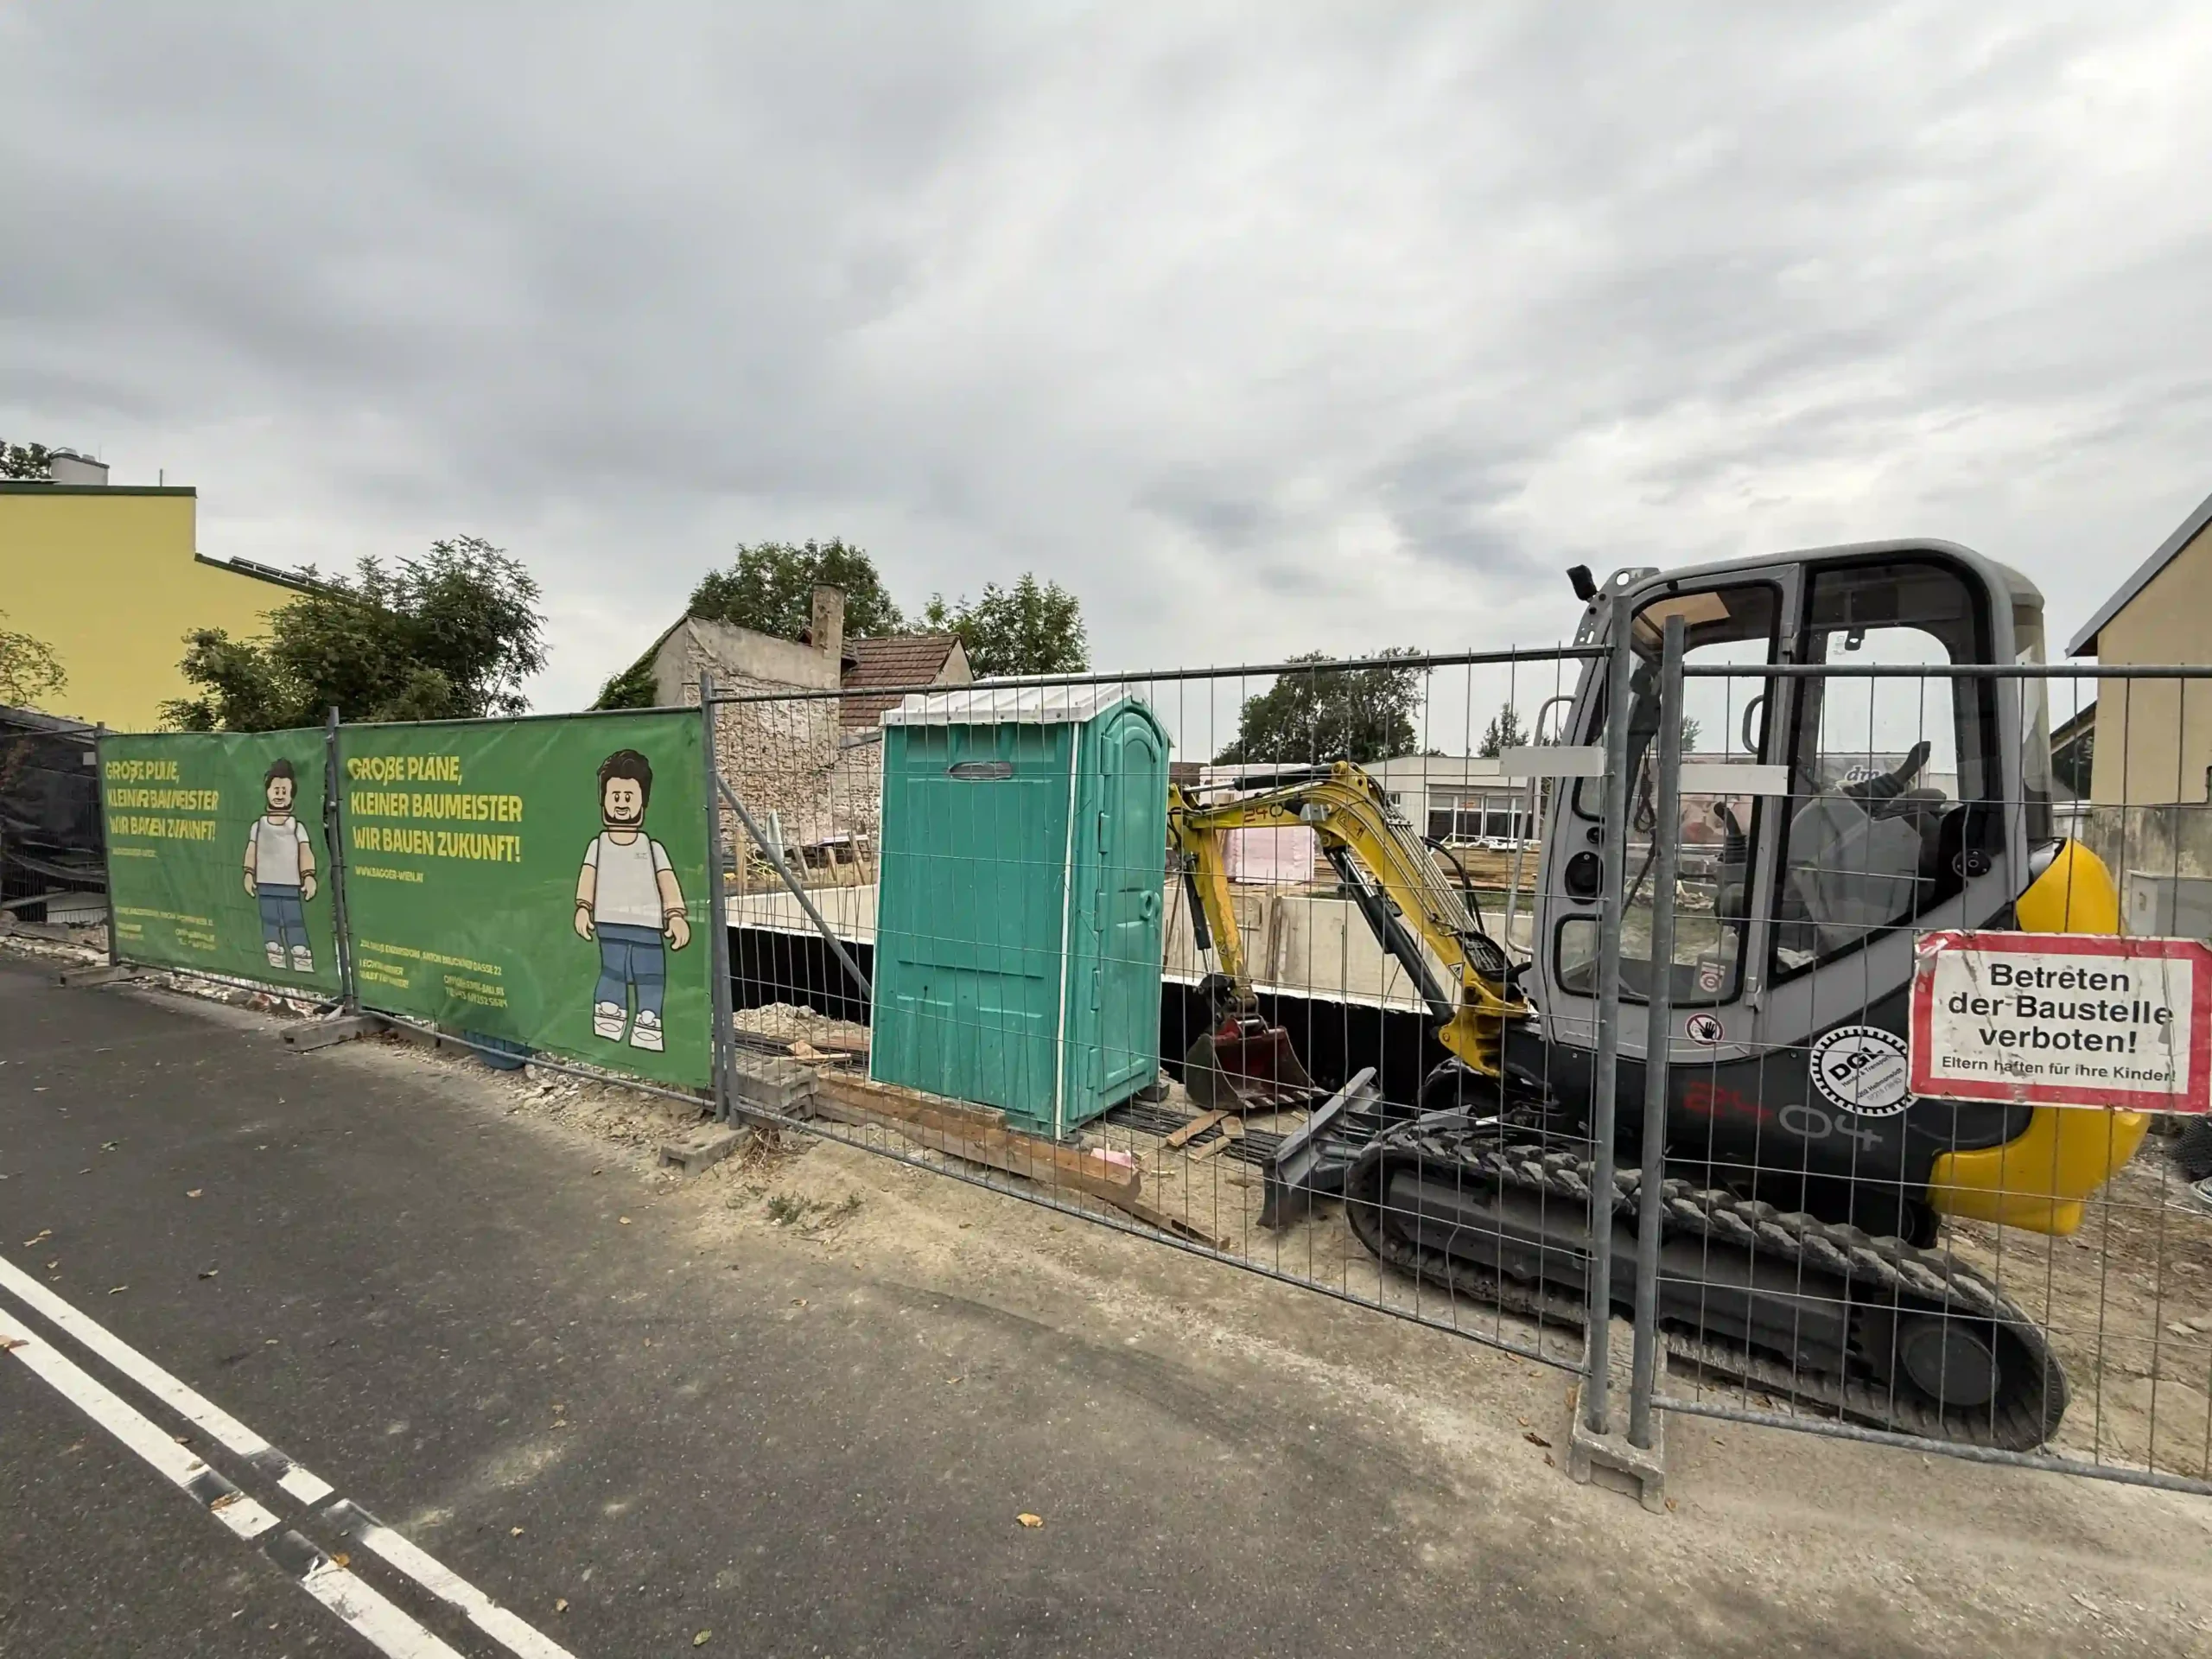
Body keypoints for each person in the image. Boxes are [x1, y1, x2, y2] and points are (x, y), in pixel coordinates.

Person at [575, 748, 690, 1051]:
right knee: (612, 970)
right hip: (609, 924)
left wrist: (676, 915)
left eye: (629, 797)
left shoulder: (652, 847)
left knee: (650, 975)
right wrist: (583, 908)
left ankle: (648, 1021)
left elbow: (667, 881)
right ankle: (610, 1012)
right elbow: (588, 876)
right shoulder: (597, 845)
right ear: (604, 800)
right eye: (616, 796)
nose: (622, 804)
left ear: (643, 801)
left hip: (648, 927)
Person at [243, 759, 316, 973]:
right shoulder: (258, 826)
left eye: (285, 790)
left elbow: (305, 851)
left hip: (290, 885)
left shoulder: (296, 826)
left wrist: (309, 875)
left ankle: (301, 958)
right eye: (276, 789)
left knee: (294, 921)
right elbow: (251, 850)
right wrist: (249, 873)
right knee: (270, 921)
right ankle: (275, 960)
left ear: (292, 794)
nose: (279, 794)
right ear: (267, 792)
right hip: (265, 884)